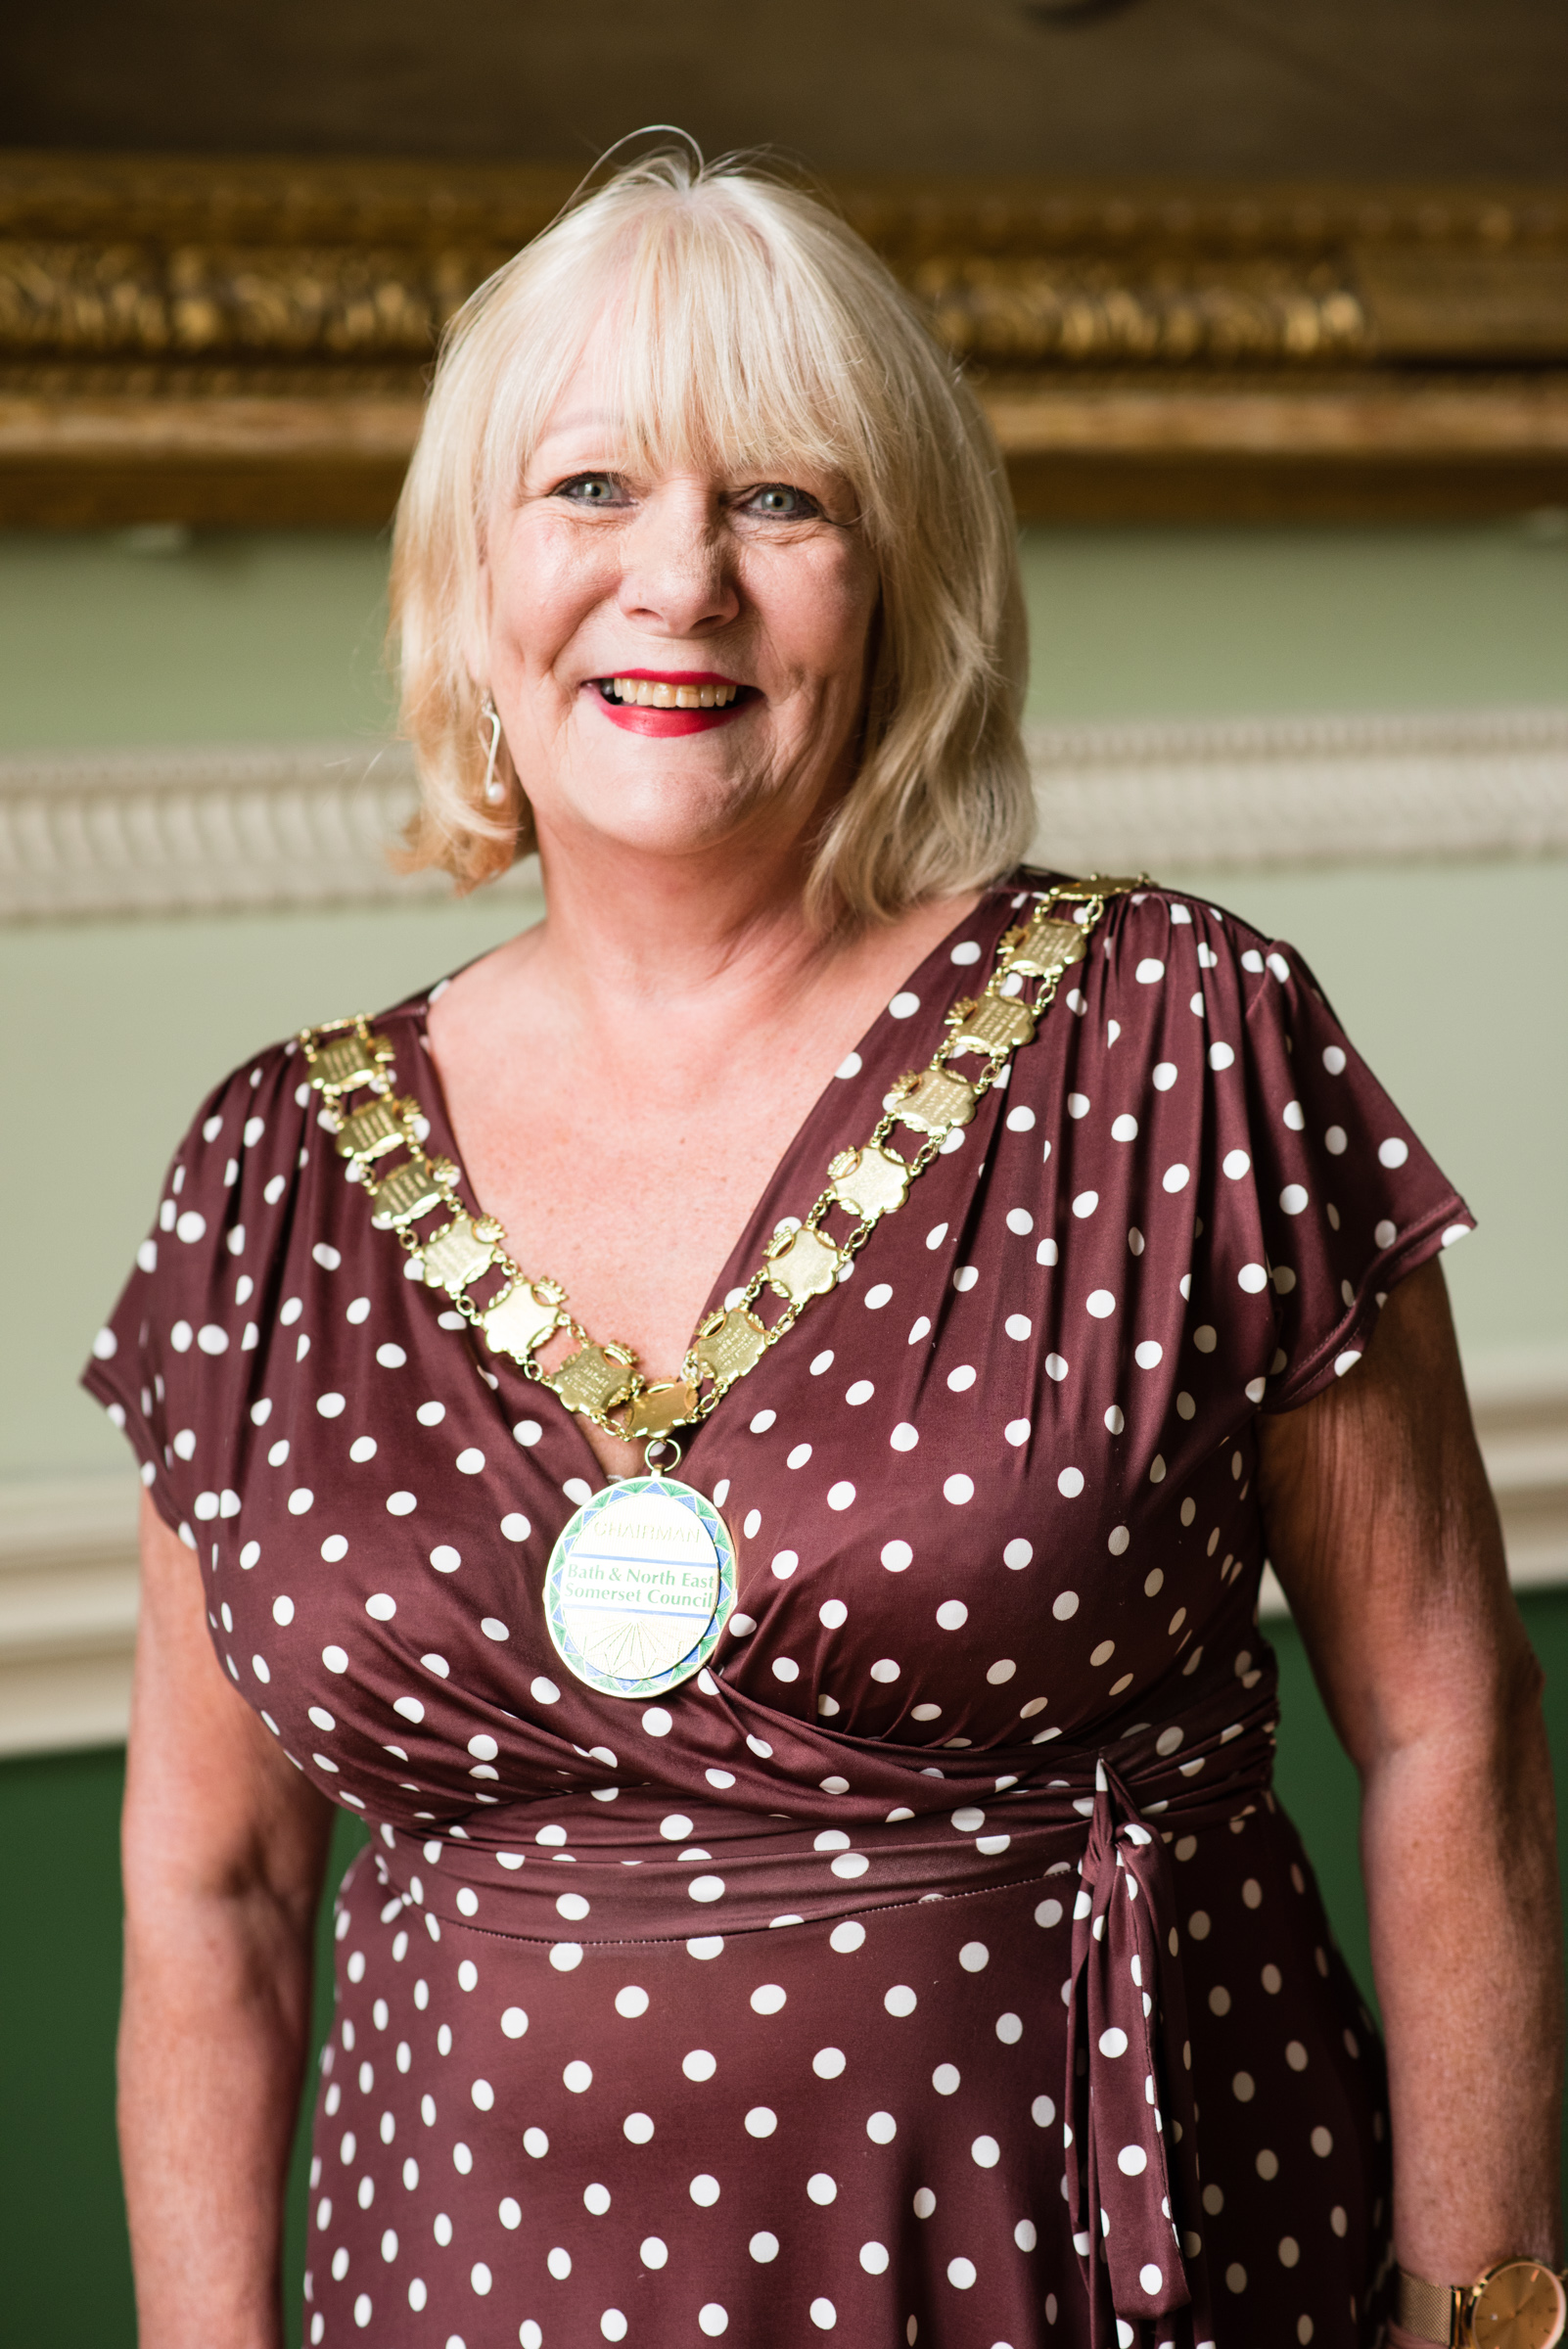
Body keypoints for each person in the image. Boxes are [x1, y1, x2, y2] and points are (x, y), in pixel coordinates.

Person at [86, 148, 1562, 2349]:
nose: (675, 582)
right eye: (588, 486)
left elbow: (1452, 1732)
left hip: (1101, 2270)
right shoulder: (270, 1174)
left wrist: (1486, 2317)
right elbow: (209, 1900)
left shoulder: (1176, 1039)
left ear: (902, 590)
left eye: (782, 499)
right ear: (471, 579)